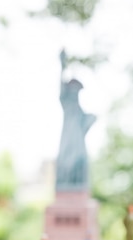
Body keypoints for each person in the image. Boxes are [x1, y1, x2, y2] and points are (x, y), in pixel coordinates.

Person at [55, 49, 97, 191]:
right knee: (67, 161)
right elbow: (60, 86)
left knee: (81, 161)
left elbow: (86, 123)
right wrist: (62, 64)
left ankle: (77, 187)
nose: (75, 92)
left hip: (78, 142)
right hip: (68, 141)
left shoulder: (79, 110)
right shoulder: (66, 103)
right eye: (72, 89)